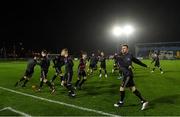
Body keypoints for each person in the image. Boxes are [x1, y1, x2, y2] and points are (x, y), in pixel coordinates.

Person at [114, 44, 148, 110]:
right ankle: (144, 101)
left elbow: (137, 61)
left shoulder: (130, 55)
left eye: (124, 48)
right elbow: (116, 58)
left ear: (127, 49)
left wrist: (145, 65)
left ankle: (121, 102)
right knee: (133, 89)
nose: (123, 49)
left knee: (122, 88)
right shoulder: (120, 56)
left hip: (128, 75)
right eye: (122, 48)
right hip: (126, 74)